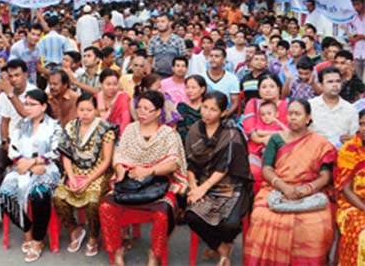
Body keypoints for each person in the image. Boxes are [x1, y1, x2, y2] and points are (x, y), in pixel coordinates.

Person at [99, 90, 187, 266]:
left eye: (147, 109)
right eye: (139, 108)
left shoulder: (168, 134)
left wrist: (150, 171)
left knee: (163, 213)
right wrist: (120, 168)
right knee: (106, 206)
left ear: (158, 112)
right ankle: (117, 250)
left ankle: (154, 253)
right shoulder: (131, 130)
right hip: (130, 183)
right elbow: (120, 154)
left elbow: (173, 163)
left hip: (158, 184)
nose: (141, 112)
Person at [243, 100, 336, 266]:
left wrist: (306, 189)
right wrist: (284, 187)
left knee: (316, 224)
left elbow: (325, 176)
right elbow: (267, 169)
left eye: (297, 114)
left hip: (310, 191)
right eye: (290, 114)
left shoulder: (320, 143)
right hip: (276, 187)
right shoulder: (277, 139)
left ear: (308, 118)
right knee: (261, 217)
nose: (292, 118)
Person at [184, 91, 253, 266]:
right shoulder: (194, 130)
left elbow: (224, 167)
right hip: (202, 182)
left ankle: (221, 246)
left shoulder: (231, 134)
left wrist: (202, 189)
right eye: (205, 107)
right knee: (191, 216)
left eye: (213, 110)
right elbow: (190, 163)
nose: (207, 113)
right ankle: (221, 248)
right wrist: (193, 187)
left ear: (223, 113)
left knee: (230, 224)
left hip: (231, 185)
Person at [0, 89, 61, 263]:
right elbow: (12, 149)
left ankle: (38, 241)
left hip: (46, 168)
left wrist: (32, 163)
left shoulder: (54, 126)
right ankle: (28, 231)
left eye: (32, 104)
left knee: (39, 194)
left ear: (43, 106)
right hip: (21, 167)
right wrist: (23, 164)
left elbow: (57, 151)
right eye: (26, 103)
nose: (28, 107)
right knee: (4, 195)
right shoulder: (21, 125)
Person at [53, 93, 116, 257]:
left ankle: (94, 236)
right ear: (77, 110)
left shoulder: (105, 128)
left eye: (89, 109)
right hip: (75, 171)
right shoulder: (71, 126)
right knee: (58, 197)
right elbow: (66, 155)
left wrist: (88, 180)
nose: (85, 113)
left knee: (94, 199)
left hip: (97, 173)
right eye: (82, 109)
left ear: (96, 110)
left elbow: (106, 161)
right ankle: (74, 230)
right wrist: (71, 176)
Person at [0, 59, 37, 181]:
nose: (14, 79)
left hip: (31, 142)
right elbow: (4, 121)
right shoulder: (6, 96)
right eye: (10, 76)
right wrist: (4, 141)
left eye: (17, 75)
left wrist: (10, 95)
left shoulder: (34, 93)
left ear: (25, 75)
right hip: (12, 141)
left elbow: (27, 115)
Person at [334, 110, 365, 266]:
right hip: (353, 204)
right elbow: (346, 189)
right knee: (362, 235)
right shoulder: (350, 149)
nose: (364, 128)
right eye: (362, 124)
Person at [310, 66, 359, 148]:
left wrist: (350, 140)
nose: (335, 85)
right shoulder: (311, 106)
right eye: (330, 82)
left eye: (338, 81)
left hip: (341, 156)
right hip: (315, 154)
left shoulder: (350, 109)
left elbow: (355, 137)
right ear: (321, 85)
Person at [201, 47, 240, 117]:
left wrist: (224, 115)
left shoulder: (232, 79)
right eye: (211, 56)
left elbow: (235, 103)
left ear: (224, 59)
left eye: (217, 56)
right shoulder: (202, 77)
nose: (213, 58)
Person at [96, 69, 131, 138]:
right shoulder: (96, 98)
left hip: (118, 135)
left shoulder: (123, 97)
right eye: (108, 84)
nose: (111, 87)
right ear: (101, 84)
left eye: (115, 84)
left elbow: (126, 119)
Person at [176, 75, 207, 142]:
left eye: (193, 88)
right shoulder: (182, 107)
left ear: (202, 89)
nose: (190, 91)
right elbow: (180, 129)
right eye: (187, 87)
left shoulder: (207, 108)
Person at [345, 0, 365, 78]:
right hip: (357, 54)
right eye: (354, 5)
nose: (356, 7)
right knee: (358, 81)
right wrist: (352, 38)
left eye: (358, 4)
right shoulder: (354, 19)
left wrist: (362, 37)